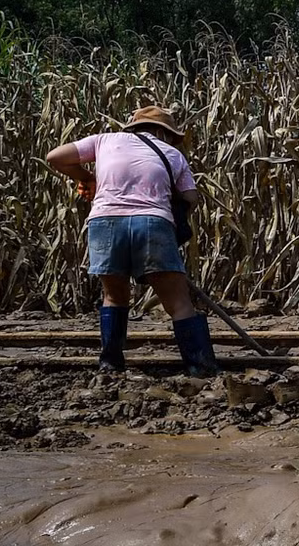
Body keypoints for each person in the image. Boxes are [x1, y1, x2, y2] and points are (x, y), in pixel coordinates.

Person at [44, 105, 219, 376]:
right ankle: (200, 368)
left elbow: (55, 156)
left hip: (105, 222)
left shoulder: (105, 140)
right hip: (153, 222)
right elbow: (191, 199)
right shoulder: (173, 154)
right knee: (178, 302)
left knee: (113, 295)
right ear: (162, 132)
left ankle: (110, 364)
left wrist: (87, 177)